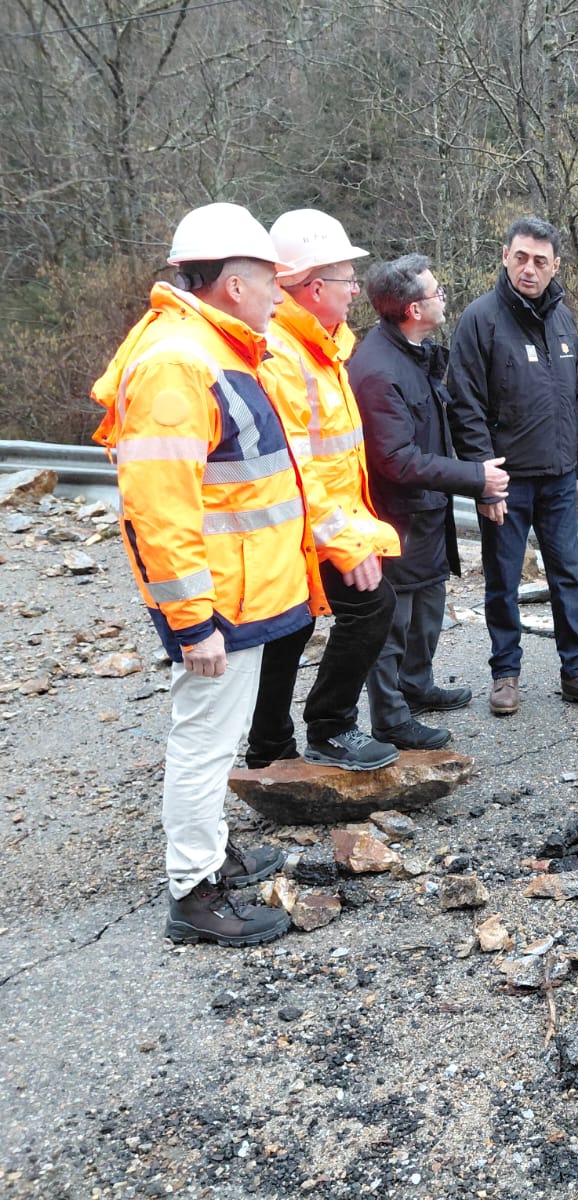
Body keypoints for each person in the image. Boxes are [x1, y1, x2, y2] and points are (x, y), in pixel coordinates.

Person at [90, 203, 313, 946]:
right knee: (205, 740)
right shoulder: (178, 364)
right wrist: (193, 623)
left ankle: (212, 854)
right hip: (217, 600)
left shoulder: (215, 348)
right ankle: (194, 892)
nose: (280, 292)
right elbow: (160, 510)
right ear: (234, 284)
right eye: (269, 278)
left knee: (217, 734)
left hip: (239, 591)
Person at [244, 209, 406, 770]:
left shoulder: (320, 345)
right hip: (302, 521)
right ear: (314, 288)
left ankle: (272, 748)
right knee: (360, 609)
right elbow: (298, 464)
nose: (356, 290)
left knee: (293, 627)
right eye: (347, 280)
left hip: (314, 519)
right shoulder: (285, 354)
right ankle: (326, 730)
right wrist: (344, 541)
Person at [447, 217, 578, 715]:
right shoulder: (480, 319)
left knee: (568, 576)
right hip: (506, 480)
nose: (529, 268)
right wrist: (484, 480)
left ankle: (577, 672)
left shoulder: (564, 319)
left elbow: (569, 402)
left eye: (540, 261)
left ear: (555, 266)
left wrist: (574, 466)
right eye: (521, 257)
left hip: (558, 478)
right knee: (503, 580)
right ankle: (505, 675)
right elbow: (465, 405)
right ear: (505, 256)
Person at [348, 255, 510, 749]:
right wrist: (475, 478)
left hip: (427, 513)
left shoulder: (414, 354)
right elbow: (396, 460)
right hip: (395, 519)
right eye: (436, 291)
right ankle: (391, 717)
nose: (444, 296)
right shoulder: (378, 370)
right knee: (392, 622)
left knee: (427, 609)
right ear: (414, 309)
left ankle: (417, 686)